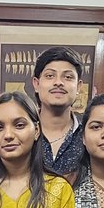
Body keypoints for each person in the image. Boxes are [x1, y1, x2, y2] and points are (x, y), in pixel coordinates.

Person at [31, 46, 86, 181]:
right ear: (36, 84)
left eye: (68, 77)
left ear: (78, 86)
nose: (58, 83)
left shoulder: (89, 134)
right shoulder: (22, 132)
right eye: (50, 76)